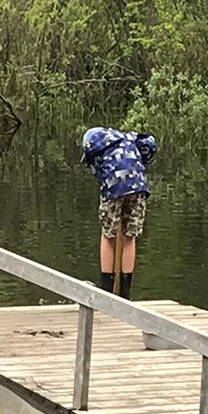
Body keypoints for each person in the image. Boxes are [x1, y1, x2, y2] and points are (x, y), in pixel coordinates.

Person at [81, 127, 157, 298]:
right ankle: (125, 292)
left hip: (114, 185)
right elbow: (149, 143)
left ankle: (106, 288)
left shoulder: (96, 146)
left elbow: (96, 170)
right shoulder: (130, 138)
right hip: (138, 185)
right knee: (130, 235)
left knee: (108, 235)